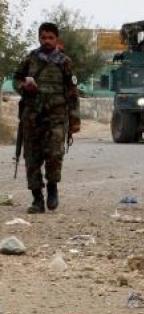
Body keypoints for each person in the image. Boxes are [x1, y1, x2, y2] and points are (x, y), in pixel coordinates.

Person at [13, 22, 80, 214]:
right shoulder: (30, 58)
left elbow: (72, 91)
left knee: (54, 154)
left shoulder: (64, 61)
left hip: (56, 116)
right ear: (39, 38)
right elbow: (16, 78)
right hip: (32, 116)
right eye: (43, 37)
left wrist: (74, 119)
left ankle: (52, 187)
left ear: (56, 39)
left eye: (50, 38)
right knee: (32, 158)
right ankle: (37, 199)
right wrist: (24, 86)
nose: (47, 41)